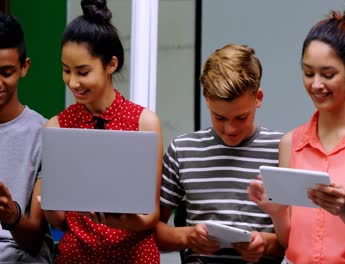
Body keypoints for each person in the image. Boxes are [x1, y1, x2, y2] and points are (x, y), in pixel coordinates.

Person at [248, 7, 345, 264]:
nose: (316, 84)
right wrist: (277, 211)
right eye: (308, 73)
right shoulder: (290, 144)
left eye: (328, 74)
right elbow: (286, 242)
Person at [41, 0, 163, 263]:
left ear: (111, 65)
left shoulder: (144, 123)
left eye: (83, 72)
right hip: (77, 256)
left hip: (134, 255)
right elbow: (59, 220)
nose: (73, 82)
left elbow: (150, 216)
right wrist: (50, 201)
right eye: (66, 70)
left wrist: (121, 220)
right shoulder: (57, 126)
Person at [155, 43, 284, 263]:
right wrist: (187, 236)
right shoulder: (183, 150)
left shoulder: (282, 149)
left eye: (241, 117)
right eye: (219, 118)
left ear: (258, 98)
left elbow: (298, 238)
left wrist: (265, 243)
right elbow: (151, 230)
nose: (230, 129)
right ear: (206, 100)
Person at [0, 12, 52, 263]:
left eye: (6, 72)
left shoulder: (44, 134)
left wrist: (12, 216)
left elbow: (34, 238)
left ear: (24, 67)